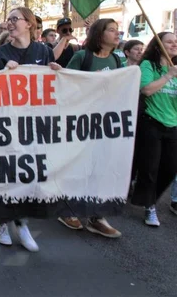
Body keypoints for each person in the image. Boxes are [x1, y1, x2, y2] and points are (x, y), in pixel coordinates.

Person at [0, 6, 58, 253]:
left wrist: (59, 74)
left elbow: (53, 86)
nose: (10, 22)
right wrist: (3, 76)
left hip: (36, 125)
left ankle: (22, 221)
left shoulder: (44, 51)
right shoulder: (0, 53)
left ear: (29, 24)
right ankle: (2, 222)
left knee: (30, 175)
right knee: (7, 174)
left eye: (15, 19)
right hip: (9, 124)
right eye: (8, 19)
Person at [56, 18, 123, 238]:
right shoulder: (82, 57)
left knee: (100, 169)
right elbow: (66, 84)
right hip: (80, 122)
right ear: (99, 34)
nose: (117, 34)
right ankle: (67, 209)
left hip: (104, 124)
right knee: (76, 167)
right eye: (111, 30)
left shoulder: (115, 60)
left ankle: (97, 215)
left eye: (117, 30)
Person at [131, 32, 177, 227]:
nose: (174, 44)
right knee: (150, 168)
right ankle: (150, 206)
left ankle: (148, 195)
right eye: (169, 41)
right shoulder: (148, 65)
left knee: (170, 168)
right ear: (159, 45)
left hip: (173, 124)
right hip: (151, 122)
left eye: (176, 42)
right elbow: (146, 90)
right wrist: (168, 76)